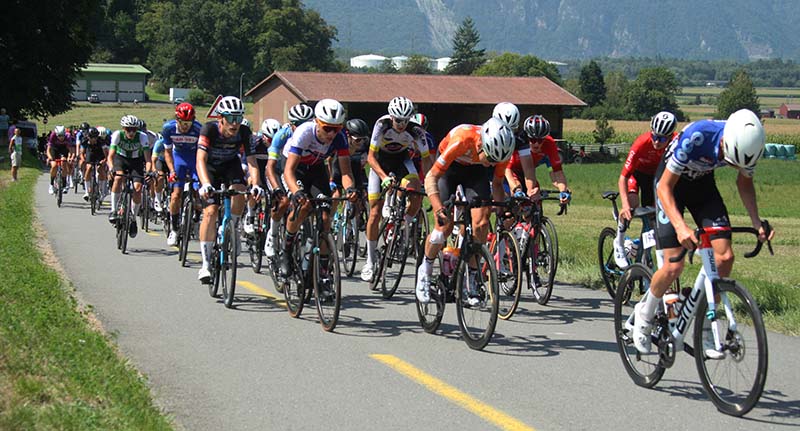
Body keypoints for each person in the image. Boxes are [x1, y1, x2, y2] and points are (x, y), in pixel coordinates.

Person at [631, 109, 775, 359]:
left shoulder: (748, 143)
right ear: (725, 141)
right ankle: (645, 314)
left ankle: (706, 323)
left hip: (703, 189)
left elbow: (744, 182)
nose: (733, 166)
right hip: (670, 185)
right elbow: (664, 187)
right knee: (673, 265)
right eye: (731, 161)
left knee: (725, 257)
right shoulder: (698, 135)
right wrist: (680, 227)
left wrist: (757, 222)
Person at [415, 117, 515, 304]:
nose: (493, 164)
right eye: (491, 158)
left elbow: (497, 184)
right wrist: (438, 207)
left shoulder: (502, 151)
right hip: (449, 169)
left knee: (481, 222)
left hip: (475, 172)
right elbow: (431, 177)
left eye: (497, 161)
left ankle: (472, 279)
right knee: (443, 228)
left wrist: (502, 213)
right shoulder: (461, 140)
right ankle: (425, 270)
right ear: (481, 145)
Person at [278, 99, 357, 277]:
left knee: (325, 217)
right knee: (303, 206)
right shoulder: (304, 132)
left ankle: (323, 272)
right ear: (317, 122)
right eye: (327, 128)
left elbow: (346, 172)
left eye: (336, 128)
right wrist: (297, 192)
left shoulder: (340, 138)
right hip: (295, 168)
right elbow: (288, 171)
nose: (332, 133)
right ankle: (286, 250)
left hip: (316, 168)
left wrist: (350, 190)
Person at [362, 96, 431, 283]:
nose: (402, 125)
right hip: (380, 163)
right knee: (375, 213)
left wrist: (429, 181)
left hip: (402, 160)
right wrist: (383, 177)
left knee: (416, 194)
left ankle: (401, 225)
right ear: (391, 117)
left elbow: (426, 159)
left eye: (405, 121)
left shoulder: (416, 130)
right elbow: (370, 157)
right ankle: (370, 261)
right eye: (398, 120)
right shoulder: (382, 125)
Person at [195, 96, 261, 283]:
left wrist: (256, 184)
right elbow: (200, 159)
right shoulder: (209, 130)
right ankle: (205, 264)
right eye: (231, 118)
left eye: (239, 118)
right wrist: (205, 184)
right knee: (210, 211)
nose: (235, 123)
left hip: (230, 165)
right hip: (210, 168)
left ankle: (232, 229)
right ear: (220, 118)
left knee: (240, 190)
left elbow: (252, 161)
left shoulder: (244, 132)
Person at [612, 111, 677, 267]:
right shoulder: (641, 143)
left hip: (655, 178)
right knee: (632, 206)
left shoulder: (676, 143)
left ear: (670, 137)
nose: (657, 142)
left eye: (662, 139)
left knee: (654, 217)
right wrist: (624, 205)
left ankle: (641, 247)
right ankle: (619, 242)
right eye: (654, 136)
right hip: (636, 175)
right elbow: (623, 178)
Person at [263, 103, 314, 257]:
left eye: (306, 123)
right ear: (291, 124)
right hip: (278, 171)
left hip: (295, 171)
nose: (302, 128)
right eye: (298, 124)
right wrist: (276, 188)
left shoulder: (312, 134)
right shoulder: (282, 135)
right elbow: (270, 167)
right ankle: (272, 234)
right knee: (284, 201)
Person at [162, 102, 203, 247]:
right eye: (183, 123)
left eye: (188, 123)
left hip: (195, 158)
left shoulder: (199, 129)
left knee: (199, 192)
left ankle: (196, 220)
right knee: (176, 195)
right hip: (178, 158)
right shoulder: (168, 128)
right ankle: (174, 229)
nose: (186, 126)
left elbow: (204, 152)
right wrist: (172, 171)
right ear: (177, 120)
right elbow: (167, 152)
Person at [507, 115, 571, 204]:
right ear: (527, 137)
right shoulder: (520, 142)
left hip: (529, 173)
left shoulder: (549, 143)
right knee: (514, 200)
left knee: (534, 198)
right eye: (532, 140)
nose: (536, 144)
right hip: (512, 171)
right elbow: (507, 169)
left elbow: (557, 172)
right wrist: (516, 189)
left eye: (540, 140)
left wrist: (563, 191)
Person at [108, 115, 151, 239]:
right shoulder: (117, 135)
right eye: (128, 129)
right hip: (120, 159)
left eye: (134, 129)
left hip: (136, 162)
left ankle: (133, 218)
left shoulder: (142, 137)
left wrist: (148, 172)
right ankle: (114, 210)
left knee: (138, 189)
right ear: (123, 128)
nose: (131, 132)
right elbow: (110, 156)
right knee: (118, 178)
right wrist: (111, 168)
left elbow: (148, 159)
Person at [243, 118, 280, 235]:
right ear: (263, 136)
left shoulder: (279, 144)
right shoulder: (255, 142)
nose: (272, 143)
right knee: (254, 187)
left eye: (274, 140)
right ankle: (250, 216)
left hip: (268, 170)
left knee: (275, 191)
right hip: (255, 168)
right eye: (270, 140)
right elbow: (247, 161)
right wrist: (249, 176)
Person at [79, 127, 109, 201]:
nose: (93, 139)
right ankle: (87, 191)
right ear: (88, 136)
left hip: (100, 154)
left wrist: (104, 160)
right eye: (91, 137)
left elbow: (106, 154)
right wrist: (83, 160)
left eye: (95, 137)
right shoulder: (84, 141)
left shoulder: (101, 141)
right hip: (90, 153)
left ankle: (102, 190)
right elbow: (81, 153)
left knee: (100, 169)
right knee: (89, 167)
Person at [47, 125, 75, 194]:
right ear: (56, 134)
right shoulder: (53, 135)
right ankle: (51, 184)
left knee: (64, 162)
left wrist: (70, 157)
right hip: (54, 149)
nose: (61, 137)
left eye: (62, 135)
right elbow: (48, 149)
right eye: (59, 136)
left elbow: (70, 149)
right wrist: (49, 157)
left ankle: (64, 184)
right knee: (54, 166)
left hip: (64, 149)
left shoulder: (68, 136)